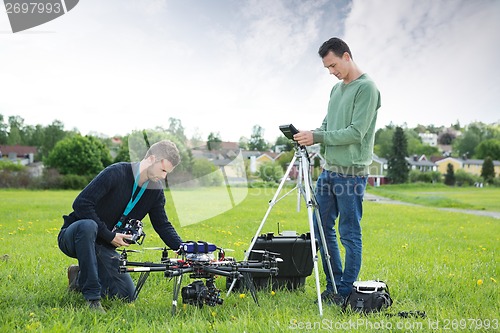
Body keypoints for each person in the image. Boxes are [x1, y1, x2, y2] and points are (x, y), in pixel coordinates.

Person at [293, 37, 381, 304]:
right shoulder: (336, 90)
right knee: (321, 229)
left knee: (349, 233)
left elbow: (356, 133)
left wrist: (318, 137)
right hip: (328, 171)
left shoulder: (367, 88)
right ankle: (334, 285)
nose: (332, 72)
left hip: (351, 174)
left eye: (333, 65)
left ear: (346, 56)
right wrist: (310, 135)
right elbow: (327, 125)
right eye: (327, 69)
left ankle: (347, 291)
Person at [58, 140, 184, 312]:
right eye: (163, 170)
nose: (164, 177)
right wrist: (109, 236)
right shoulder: (116, 172)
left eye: (167, 173)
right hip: (75, 236)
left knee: (126, 295)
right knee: (88, 226)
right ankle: (92, 299)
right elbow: (81, 203)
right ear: (152, 158)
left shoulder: (155, 190)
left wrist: (182, 247)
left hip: (102, 245)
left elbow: (162, 224)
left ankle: (79, 276)